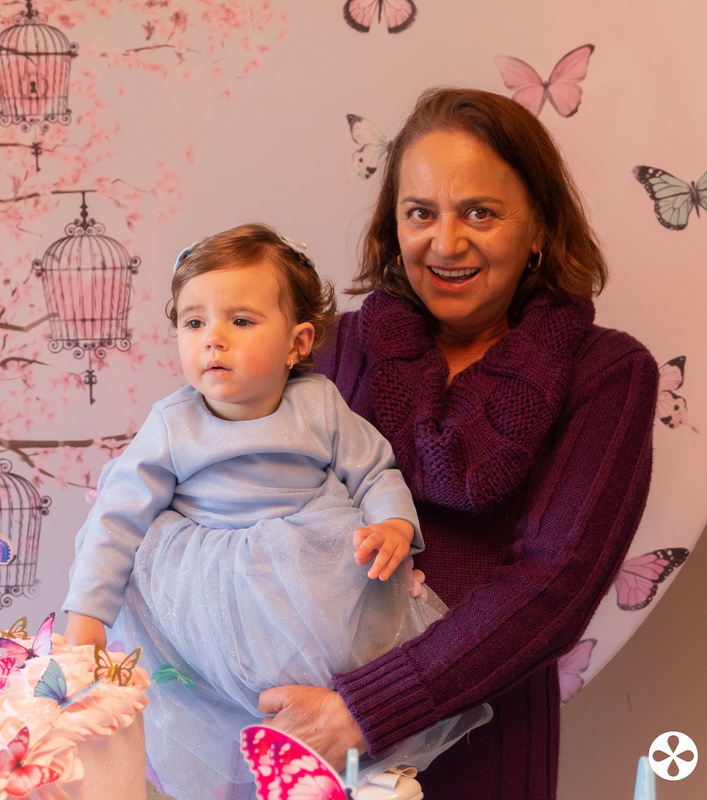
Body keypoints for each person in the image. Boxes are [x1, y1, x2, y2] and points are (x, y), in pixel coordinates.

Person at [257, 88, 661, 798]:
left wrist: (363, 711)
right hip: (302, 739)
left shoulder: (607, 373)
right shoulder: (333, 349)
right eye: (421, 213)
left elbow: (553, 587)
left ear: (539, 229)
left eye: (480, 213)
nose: (445, 244)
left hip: (481, 755)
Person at [62, 224, 482, 799]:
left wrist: (393, 524)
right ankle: (280, 770)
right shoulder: (172, 425)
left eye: (240, 321)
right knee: (232, 700)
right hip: (213, 588)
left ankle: (356, 767)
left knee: (346, 667)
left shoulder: (320, 405)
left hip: (314, 569)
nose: (213, 339)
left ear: (297, 343)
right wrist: (87, 616)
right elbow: (115, 519)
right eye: (194, 323)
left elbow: (374, 470)